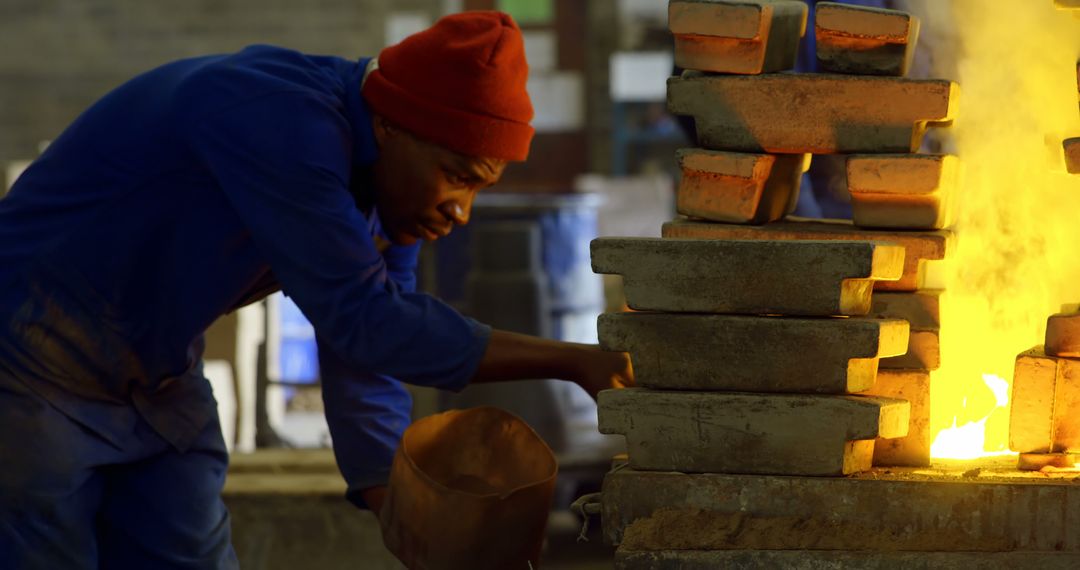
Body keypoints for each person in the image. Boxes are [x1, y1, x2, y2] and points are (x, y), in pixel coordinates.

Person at [0, 11, 633, 569]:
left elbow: (365, 348)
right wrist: (570, 360)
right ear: (390, 127)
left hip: (155, 373)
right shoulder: (283, 122)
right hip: (28, 359)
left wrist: (404, 511)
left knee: (189, 550)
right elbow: (368, 321)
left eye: (479, 188)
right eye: (455, 177)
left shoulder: (389, 193)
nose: (461, 210)